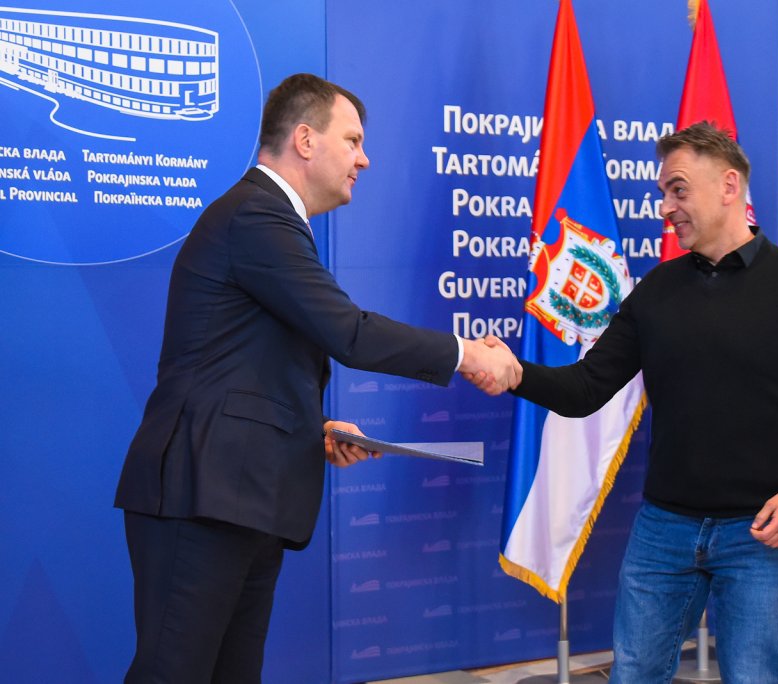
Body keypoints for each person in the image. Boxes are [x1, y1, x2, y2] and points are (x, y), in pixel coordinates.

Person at [114, 73, 520, 683]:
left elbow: (243, 369)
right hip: (202, 493)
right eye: (352, 140)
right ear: (305, 140)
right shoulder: (257, 215)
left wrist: (314, 428)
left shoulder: (269, 220)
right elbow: (349, 332)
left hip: (237, 497)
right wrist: (466, 353)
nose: (365, 158)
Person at [472, 122, 778, 683]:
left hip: (761, 532)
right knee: (634, 673)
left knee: (753, 676)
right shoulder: (656, 291)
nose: (665, 207)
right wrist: (516, 373)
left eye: (678, 189)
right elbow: (585, 389)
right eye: (663, 192)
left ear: (729, 186)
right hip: (663, 530)